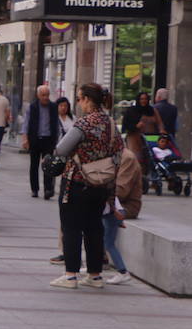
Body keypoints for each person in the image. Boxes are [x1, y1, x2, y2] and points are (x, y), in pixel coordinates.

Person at [49, 83, 123, 289]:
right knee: (94, 228)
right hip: (101, 184)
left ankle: (70, 275)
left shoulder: (84, 123)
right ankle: (94, 275)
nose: (79, 102)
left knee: (71, 227)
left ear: (88, 100)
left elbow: (61, 149)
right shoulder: (110, 123)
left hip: (77, 181)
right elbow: (118, 153)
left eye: (80, 98)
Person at [104, 131, 145, 286]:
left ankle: (121, 271)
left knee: (106, 237)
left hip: (127, 206)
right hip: (113, 203)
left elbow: (121, 190)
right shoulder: (114, 156)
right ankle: (97, 264)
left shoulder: (126, 157)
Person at [23, 85, 60, 200]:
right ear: (38, 95)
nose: (45, 97)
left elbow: (56, 124)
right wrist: (25, 139)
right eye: (43, 95)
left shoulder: (53, 107)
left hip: (48, 140)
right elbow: (26, 123)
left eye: (47, 95)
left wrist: (56, 140)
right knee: (34, 165)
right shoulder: (32, 107)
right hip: (35, 139)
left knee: (48, 166)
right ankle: (35, 189)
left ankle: (48, 189)